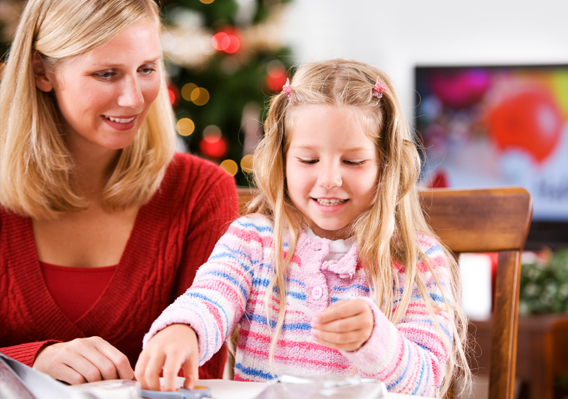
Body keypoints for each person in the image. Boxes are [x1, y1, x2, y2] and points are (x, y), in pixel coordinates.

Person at [135, 59, 471, 397]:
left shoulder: (418, 261)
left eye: (353, 161)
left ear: (386, 164)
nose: (329, 180)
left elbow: (426, 383)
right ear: (282, 159)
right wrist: (183, 328)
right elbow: (210, 297)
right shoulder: (253, 241)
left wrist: (376, 340)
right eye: (308, 160)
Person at [0, 0, 237, 385]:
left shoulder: (201, 192)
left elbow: (199, 378)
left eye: (146, 69)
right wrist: (34, 360)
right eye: (106, 73)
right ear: (41, 71)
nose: (133, 98)